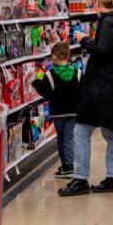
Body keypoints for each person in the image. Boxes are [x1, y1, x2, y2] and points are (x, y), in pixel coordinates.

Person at [58, 0, 113, 196]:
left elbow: (102, 52)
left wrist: (84, 39)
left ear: (99, 4)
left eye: (94, 3)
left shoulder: (107, 23)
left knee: (81, 131)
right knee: (110, 133)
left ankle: (81, 179)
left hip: (101, 87)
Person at [32, 42, 81, 178]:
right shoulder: (77, 72)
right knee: (70, 138)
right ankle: (68, 165)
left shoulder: (50, 74)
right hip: (73, 112)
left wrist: (36, 82)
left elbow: (45, 92)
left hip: (58, 112)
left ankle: (67, 166)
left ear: (54, 57)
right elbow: (82, 91)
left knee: (61, 138)